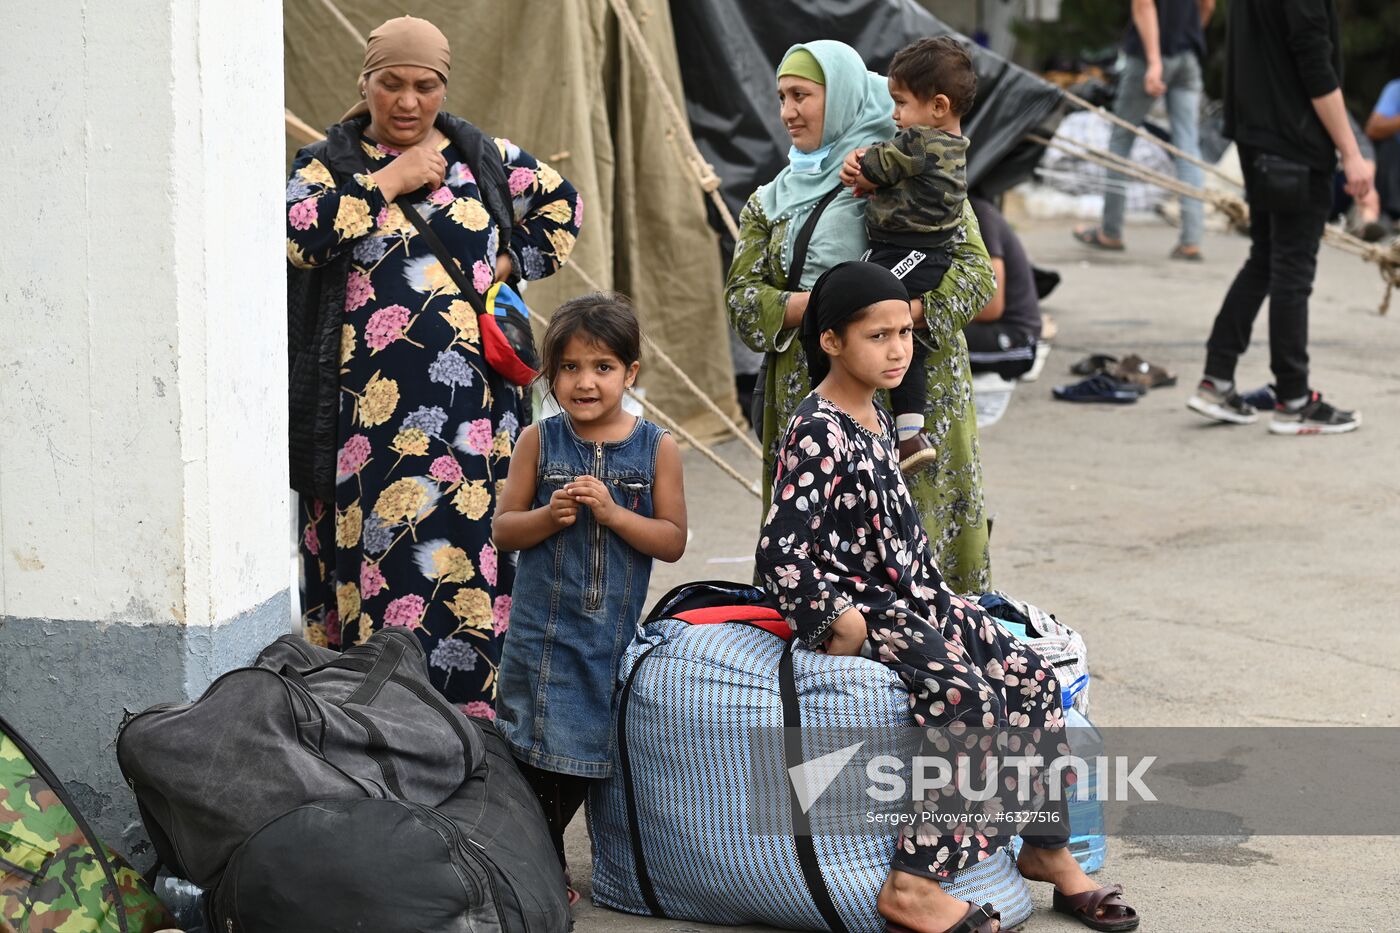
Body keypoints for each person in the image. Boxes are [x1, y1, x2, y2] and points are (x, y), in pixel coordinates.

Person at [757, 261, 1140, 933]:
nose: (898, 348)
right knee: (963, 697)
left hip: (921, 598)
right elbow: (781, 552)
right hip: (872, 608)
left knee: (1030, 674)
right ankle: (914, 882)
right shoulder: (817, 427)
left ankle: (1045, 850)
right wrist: (833, 619)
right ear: (831, 341)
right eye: (878, 335)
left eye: (904, 331)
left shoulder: (875, 411)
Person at [286, 16, 582, 706]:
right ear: (366, 83)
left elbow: (562, 206)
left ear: (442, 88)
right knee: (384, 557)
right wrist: (386, 181)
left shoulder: (482, 155)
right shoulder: (328, 163)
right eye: (391, 83)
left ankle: (475, 717)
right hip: (368, 422)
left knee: (472, 555)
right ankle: (381, 717)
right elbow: (300, 236)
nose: (408, 101)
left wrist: (505, 266)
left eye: (425, 86)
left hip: (476, 416)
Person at [726, 40, 996, 595]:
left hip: (915, 401)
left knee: (925, 573)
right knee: (826, 573)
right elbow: (744, 304)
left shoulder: (916, 171)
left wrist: (895, 322)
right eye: (781, 97)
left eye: (802, 95)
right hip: (814, 400)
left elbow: (976, 275)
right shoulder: (770, 201)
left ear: (844, 97)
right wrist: (826, 311)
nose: (787, 112)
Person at [492, 294, 687, 900]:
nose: (585, 382)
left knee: (587, 746)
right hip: (540, 633)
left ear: (630, 373)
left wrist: (615, 514)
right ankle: (538, 863)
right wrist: (550, 515)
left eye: (602, 367)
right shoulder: (538, 440)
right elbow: (504, 530)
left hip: (609, 636)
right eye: (570, 368)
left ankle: (553, 863)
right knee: (533, 744)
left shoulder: (657, 448)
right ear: (551, 377)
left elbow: (672, 540)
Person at [1186, 0, 1373, 435]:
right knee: (1291, 269)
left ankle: (1217, 379)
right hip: (1294, 142)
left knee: (1267, 260)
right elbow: (1315, 65)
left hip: (1256, 134)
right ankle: (1293, 399)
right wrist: (1350, 151)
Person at [839, 36, 977, 473]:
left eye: (899, 103)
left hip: (914, 252)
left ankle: (904, 433)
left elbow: (874, 166)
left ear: (938, 106)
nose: (893, 116)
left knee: (873, 314)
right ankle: (905, 432)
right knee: (895, 330)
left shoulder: (921, 142)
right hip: (908, 250)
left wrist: (860, 161)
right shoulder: (946, 147)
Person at [1073, 0, 1212, 261]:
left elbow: (1143, 5)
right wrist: (1189, 34)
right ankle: (1191, 240)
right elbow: (1208, 5)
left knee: (1121, 140)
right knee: (1188, 147)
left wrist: (1155, 61)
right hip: (1187, 56)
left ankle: (1110, 231)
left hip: (1149, 58)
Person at [964, 196, 1041, 379]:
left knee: (920, 342)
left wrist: (930, 315)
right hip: (986, 326)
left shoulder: (978, 215)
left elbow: (991, 307)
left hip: (1013, 337)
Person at [1365, 77, 1400, 222]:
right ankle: (1388, 214)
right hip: (1393, 164)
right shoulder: (1396, 89)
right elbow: (1372, 129)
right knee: (1388, 145)